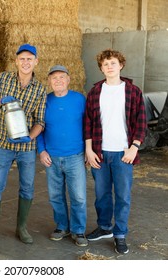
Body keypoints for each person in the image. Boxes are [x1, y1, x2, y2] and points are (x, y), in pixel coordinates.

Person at [0, 44, 47, 247]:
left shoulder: (39, 89)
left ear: (36, 61)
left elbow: (40, 121)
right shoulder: (4, 79)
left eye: (29, 59)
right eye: (22, 58)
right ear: (16, 61)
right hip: (4, 144)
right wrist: (1, 101)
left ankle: (21, 228)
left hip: (26, 149)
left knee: (27, 188)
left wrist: (30, 137)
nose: (25, 62)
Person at [84, 49, 147, 254]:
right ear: (101, 68)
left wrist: (134, 148)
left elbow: (141, 122)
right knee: (101, 195)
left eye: (113, 62)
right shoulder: (94, 92)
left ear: (120, 65)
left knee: (122, 196)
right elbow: (88, 123)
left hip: (123, 153)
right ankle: (104, 227)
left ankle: (120, 234)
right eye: (105, 64)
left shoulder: (132, 91)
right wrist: (89, 150)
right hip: (100, 153)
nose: (109, 66)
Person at [36, 65, 88, 247]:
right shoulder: (44, 101)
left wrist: (89, 151)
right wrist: (41, 150)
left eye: (61, 77)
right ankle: (62, 226)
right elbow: (39, 127)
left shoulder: (80, 100)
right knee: (55, 196)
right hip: (52, 158)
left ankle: (78, 230)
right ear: (49, 81)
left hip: (75, 156)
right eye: (54, 78)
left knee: (79, 196)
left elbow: (88, 127)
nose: (58, 81)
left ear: (68, 80)